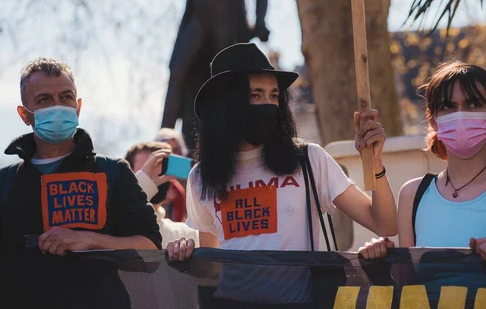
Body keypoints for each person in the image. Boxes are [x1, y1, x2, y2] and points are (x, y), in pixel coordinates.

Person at [166, 43, 397, 305]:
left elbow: (385, 223)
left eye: (274, 95)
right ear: (226, 103)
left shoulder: (309, 159)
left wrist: (375, 162)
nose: (268, 104)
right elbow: (214, 266)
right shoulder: (201, 178)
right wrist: (185, 253)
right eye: (256, 95)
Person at [0, 58, 161, 308]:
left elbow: (151, 250)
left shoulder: (114, 172)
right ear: (25, 115)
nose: (58, 106)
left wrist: (91, 240)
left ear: (78, 107)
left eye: (66, 97)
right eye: (44, 99)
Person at [359, 61, 486, 270]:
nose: (460, 114)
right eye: (448, 106)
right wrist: (384, 260)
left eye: (473, 104)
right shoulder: (412, 195)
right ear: (433, 120)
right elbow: (410, 290)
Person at [161, 0, 270, 152]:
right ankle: (163, 139)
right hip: (197, 21)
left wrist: (260, 22)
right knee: (179, 70)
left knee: (226, 77)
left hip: (228, 22)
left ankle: (230, 134)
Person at [125, 141, 199, 248]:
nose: (155, 177)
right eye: (145, 170)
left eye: (162, 170)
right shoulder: (116, 226)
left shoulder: (186, 233)